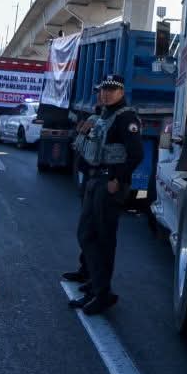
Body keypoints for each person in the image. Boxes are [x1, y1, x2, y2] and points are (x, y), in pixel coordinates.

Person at [63, 74, 143, 316]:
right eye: (102, 89)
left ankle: (102, 293)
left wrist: (117, 179)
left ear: (121, 91)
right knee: (87, 233)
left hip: (108, 183)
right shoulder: (103, 115)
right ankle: (94, 285)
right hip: (95, 180)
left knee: (103, 239)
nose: (105, 93)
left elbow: (136, 154)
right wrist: (83, 132)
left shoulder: (126, 118)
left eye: (111, 89)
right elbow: (91, 146)